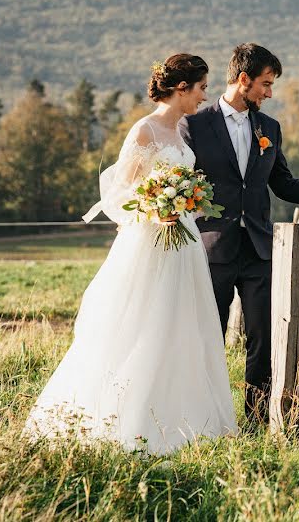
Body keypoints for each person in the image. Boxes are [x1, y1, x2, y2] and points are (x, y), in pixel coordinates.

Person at [23, 54, 239, 454]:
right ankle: (132, 422)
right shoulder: (145, 131)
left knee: (183, 327)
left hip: (184, 245)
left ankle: (189, 422)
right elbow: (118, 195)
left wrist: (186, 206)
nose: (204, 96)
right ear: (181, 89)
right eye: (201, 88)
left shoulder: (180, 132)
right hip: (151, 245)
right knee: (146, 326)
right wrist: (158, 212)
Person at [179, 43, 299, 424]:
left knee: (263, 341)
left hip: (258, 251)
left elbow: (284, 184)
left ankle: (258, 420)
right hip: (211, 249)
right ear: (243, 79)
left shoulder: (270, 128)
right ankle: (205, 419)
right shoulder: (195, 125)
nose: (269, 93)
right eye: (265, 84)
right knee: (207, 340)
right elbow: (180, 183)